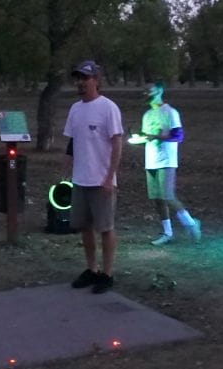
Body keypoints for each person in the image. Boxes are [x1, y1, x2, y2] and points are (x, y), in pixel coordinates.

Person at [64, 60, 125, 294]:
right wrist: (66, 170)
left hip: (102, 181)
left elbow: (117, 143)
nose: (80, 83)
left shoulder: (108, 108)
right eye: (77, 79)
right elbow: (72, 142)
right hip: (80, 179)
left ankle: (107, 274)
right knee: (84, 227)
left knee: (106, 228)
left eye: (85, 78)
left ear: (96, 81)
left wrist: (110, 177)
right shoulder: (75, 109)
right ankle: (92, 269)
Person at [137, 81, 202, 245]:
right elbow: (147, 136)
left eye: (149, 90)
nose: (145, 93)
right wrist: (140, 138)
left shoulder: (170, 112)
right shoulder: (147, 115)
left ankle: (191, 223)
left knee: (168, 195)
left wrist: (156, 137)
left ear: (159, 90)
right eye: (144, 91)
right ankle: (167, 232)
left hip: (166, 160)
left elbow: (178, 136)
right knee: (157, 198)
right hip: (151, 160)